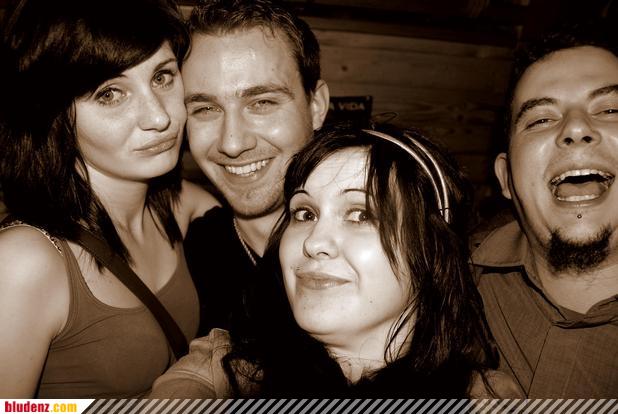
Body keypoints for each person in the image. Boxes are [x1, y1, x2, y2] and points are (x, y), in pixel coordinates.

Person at [150, 123, 522, 398]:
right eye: (305, 213)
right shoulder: (225, 369)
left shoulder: (486, 397)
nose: (314, 242)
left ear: (432, 251)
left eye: (360, 214)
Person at [0, 0, 217, 398]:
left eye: (163, 77)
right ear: (53, 113)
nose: (159, 117)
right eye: (110, 94)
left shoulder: (182, 206)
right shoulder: (22, 262)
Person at [472, 21, 618, 397]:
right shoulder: (449, 281)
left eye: (610, 109)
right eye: (541, 119)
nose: (576, 128)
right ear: (506, 177)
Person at [181, 0, 330, 337]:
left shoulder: (384, 241)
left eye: (262, 102)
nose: (232, 143)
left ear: (316, 106)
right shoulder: (194, 256)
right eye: (206, 109)